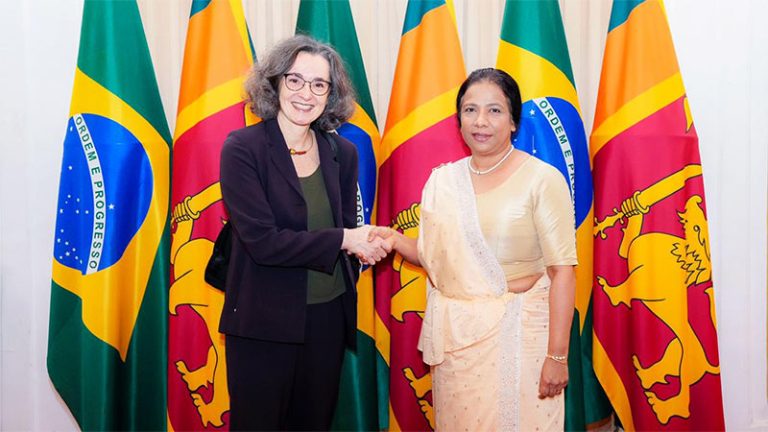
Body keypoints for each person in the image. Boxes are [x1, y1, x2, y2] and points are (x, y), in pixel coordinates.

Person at [370, 68, 577, 431]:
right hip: (456, 346)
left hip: (519, 338)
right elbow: (443, 260)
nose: (481, 121)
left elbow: (563, 272)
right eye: (470, 110)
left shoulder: (542, 179)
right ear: (459, 119)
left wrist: (557, 356)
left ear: (513, 121)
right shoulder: (444, 180)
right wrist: (394, 240)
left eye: (494, 111)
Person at [218, 35, 390, 431]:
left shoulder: (341, 153)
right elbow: (263, 242)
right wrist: (346, 239)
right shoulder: (243, 148)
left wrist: (366, 244)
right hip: (262, 320)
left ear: (331, 95)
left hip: (327, 317)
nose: (306, 93)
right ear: (274, 83)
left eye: (319, 84)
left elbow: (344, 229)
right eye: (295, 80)